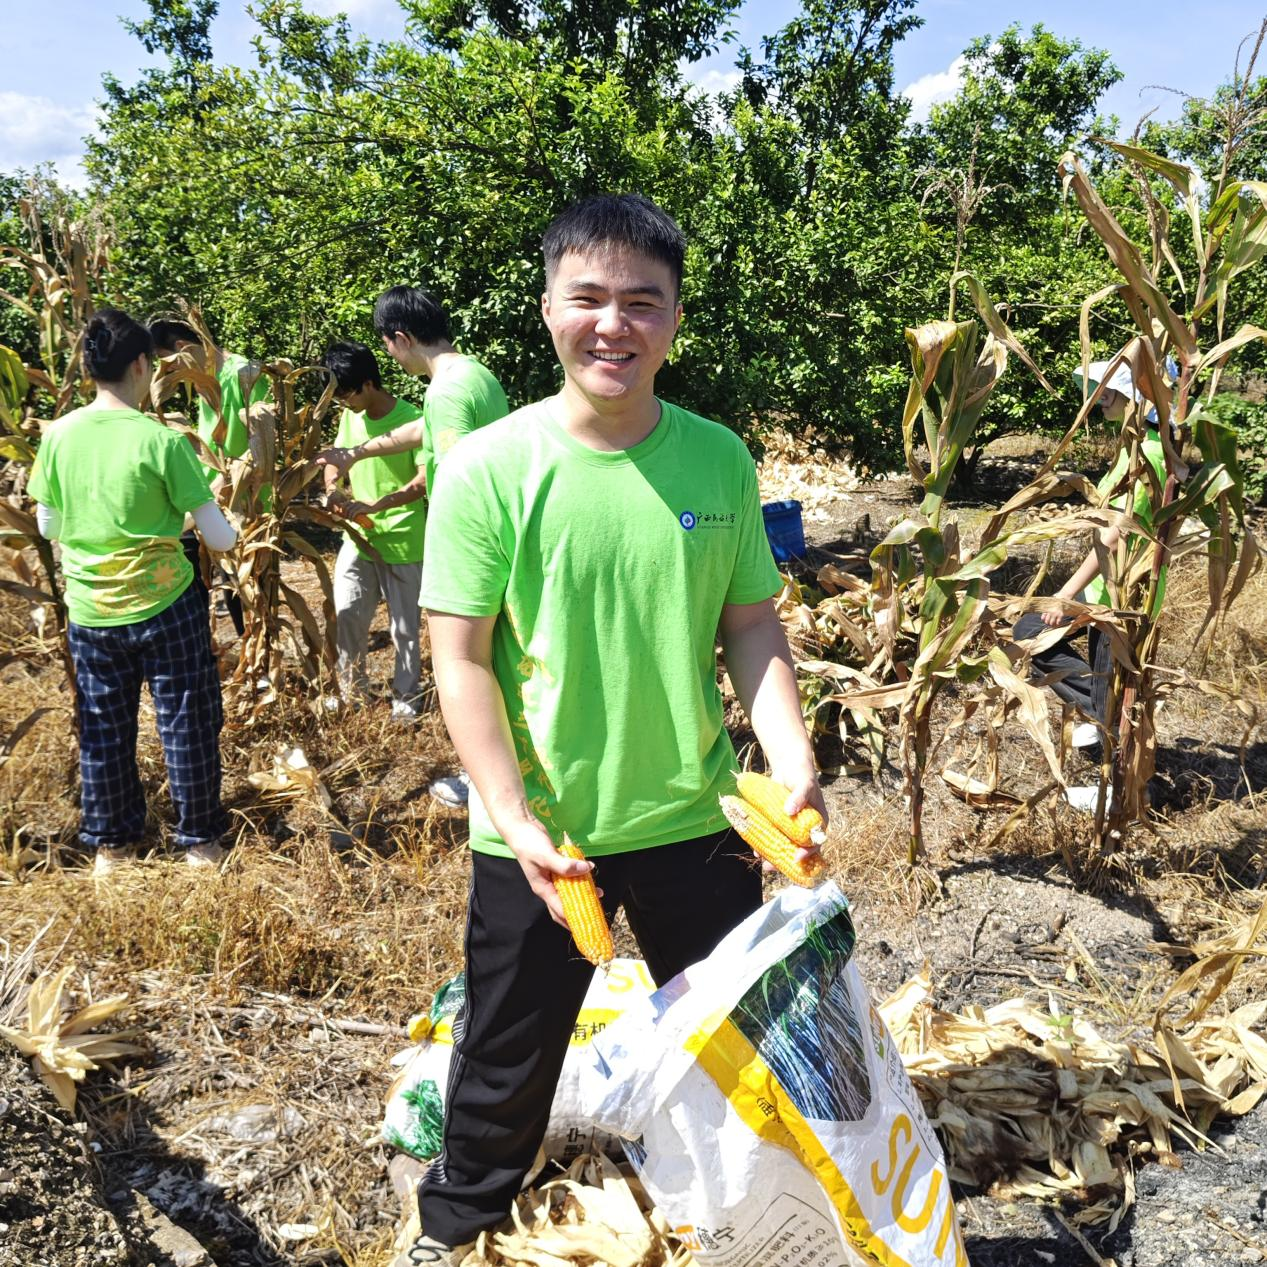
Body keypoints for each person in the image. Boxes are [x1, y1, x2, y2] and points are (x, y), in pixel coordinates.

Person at [395, 194, 827, 1266]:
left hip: (696, 814)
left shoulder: (718, 459)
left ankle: (745, 1221)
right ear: (547, 309)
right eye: (588, 298)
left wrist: (791, 754)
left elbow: (749, 622)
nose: (613, 324)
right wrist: (510, 815)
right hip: (545, 837)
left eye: (643, 301)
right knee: (503, 1058)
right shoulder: (490, 467)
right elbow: (458, 656)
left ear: (675, 319)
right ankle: (453, 1230)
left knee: (733, 1051)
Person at [29, 309, 238, 875]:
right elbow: (217, 535)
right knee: (186, 720)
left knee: (104, 725)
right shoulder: (160, 441)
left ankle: (112, 848)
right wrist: (198, 519)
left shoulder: (59, 437)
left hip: (92, 610)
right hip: (166, 605)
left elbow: (48, 526)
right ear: (142, 364)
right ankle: (198, 841)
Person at [316, 287, 508, 798]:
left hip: (473, 549)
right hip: (498, 540)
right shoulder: (474, 375)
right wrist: (354, 453)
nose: (391, 359)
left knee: (468, 665)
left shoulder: (444, 393)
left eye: (389, 347)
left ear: (401, 339)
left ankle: (481, 781)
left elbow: (453, 478)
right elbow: (420, 434)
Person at [1013, 360, 1168, 812]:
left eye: (1105, 391)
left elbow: (1114, 535)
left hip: (1121, 594)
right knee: (1028, 633)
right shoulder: (1140, 446)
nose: (1097, 398)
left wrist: (1065, 594)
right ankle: (1098, 714)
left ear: (1131, 395)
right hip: (1109, 588)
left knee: (1109, 688)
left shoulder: (1150, 455)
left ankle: (1122, 795)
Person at [321, 340, 427, 720]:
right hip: (358, 537)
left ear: (368, 384)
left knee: (405, 629)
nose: (344, 403)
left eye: (347, 394)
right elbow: (336, 461)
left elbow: (424, 478)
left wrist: (378, 505)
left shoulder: (413, 417)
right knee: (347, 612)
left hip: (404, 537)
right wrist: (333, 489)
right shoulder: (350, 416)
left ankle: (406, 696)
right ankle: (352, 692)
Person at [149, 317, 270, 638]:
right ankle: (207, 658)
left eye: (168, 364)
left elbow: (264, 445)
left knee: (243, 587)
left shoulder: (244, 374)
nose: (168, 374)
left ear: (181, 349)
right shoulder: (204, 379)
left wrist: (227, 482)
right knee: (201, 583)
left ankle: (260, 666)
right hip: (205, 501)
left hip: (245, 504)